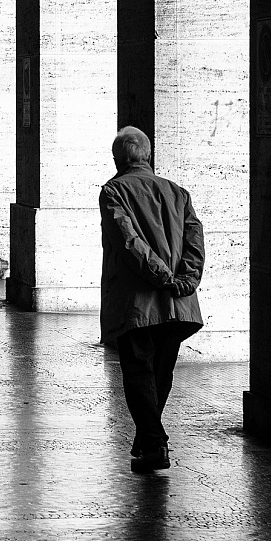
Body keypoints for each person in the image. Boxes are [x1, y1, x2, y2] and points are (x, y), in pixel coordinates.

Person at [99, 126, 204, 474]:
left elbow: (128, 243)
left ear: (118, 159)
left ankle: (155, 444)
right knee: (161, 371)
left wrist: (163, 276)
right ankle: (148, 439)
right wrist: (185, 280)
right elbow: (195, 240)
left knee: (138, 372)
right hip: (177, 303)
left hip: (137, 302)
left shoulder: (113, 191)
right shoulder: (177, 192)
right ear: (147, 154)